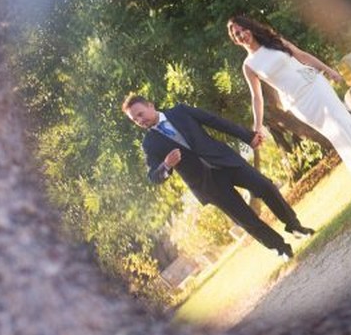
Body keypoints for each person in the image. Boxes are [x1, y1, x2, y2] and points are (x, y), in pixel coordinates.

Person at [121, 94, 315, 260]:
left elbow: (214, 121)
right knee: (246, 218)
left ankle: (294, 226)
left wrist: (247, 136)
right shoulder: (150, 144)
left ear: (150, 106)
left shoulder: (180, 111)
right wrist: (166, 165)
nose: (140, 120)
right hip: (207, 184)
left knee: (266, 186)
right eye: (135, 120)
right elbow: (154, 176)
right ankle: (280, 249)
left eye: (140, 114)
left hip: (226, 161)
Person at [226, 14, 351, 183]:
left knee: (341, 121)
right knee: (334, 133)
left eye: (242, 29)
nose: (242, 35)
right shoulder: (249, 66)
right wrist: (257, 127)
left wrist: (328, 70)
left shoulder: (273, 41)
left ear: (250, 28)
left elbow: (302, 56)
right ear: (235, 41)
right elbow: (257, 97)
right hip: (298, 103)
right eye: (237, 34)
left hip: (314, 85)